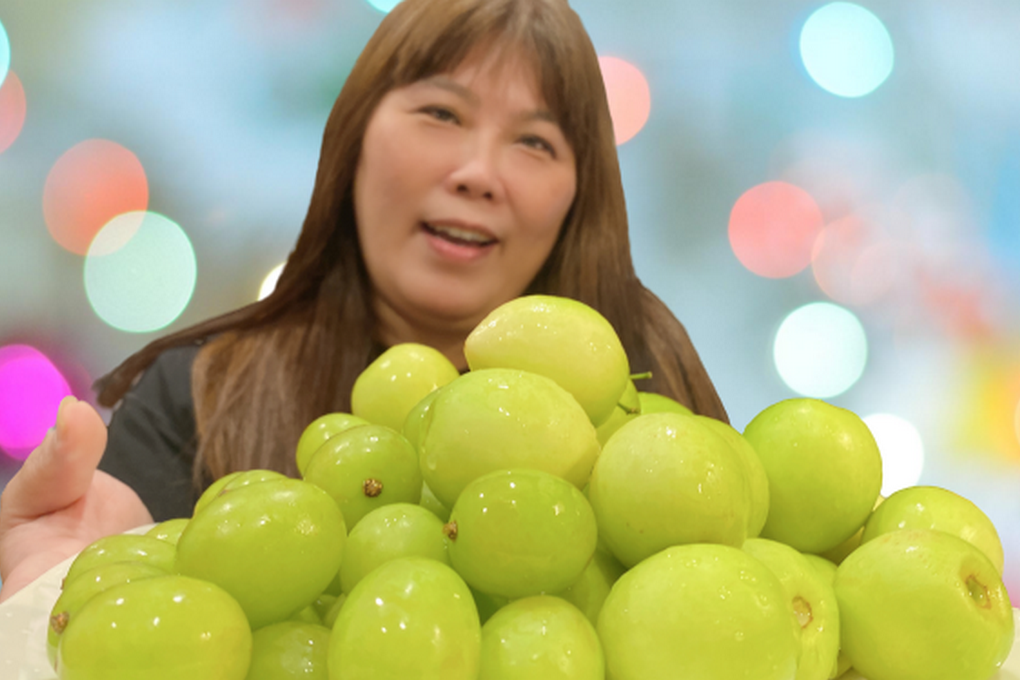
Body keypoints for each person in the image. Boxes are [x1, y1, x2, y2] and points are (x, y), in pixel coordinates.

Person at [0, 0, 727, 603]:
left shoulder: (647, 380)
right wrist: (68, 587)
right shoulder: (202, 394)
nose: (478, 173)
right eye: (442, 114)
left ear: (578, 197)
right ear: (353, 139)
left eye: (535, 143)